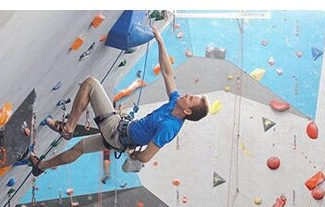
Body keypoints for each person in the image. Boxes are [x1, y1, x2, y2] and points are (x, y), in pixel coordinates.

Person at [28, 25, 209, 176]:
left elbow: (147, 156)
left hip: (117, 131)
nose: (187, 95)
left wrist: (135, 156)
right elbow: (168, 74)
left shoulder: (170, 127)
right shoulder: (174, 102)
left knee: (90, 84)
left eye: (190, 99)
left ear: (188, 111)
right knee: (80, 148)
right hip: (120, 137)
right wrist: (160, 41)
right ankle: (40, 167)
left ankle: (68, 128)